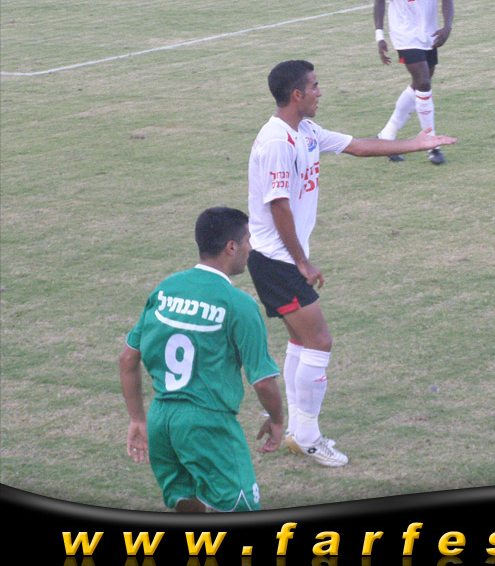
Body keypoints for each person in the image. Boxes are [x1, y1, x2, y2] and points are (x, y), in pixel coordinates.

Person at [247, 59, 456, 467]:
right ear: (296, 94)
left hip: (280, 258)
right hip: (277, 260)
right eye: (314, 86)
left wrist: (414, 144)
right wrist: (302, 262)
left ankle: (298, 431)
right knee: (320, 341)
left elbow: (359, 146)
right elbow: (278, 206)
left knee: (302, 341)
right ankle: (308, 436)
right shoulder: (276, 142)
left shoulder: (305, 131)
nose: (320, 92)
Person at [119, 207, 284, 512]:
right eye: (247, 240)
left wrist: (137, 419)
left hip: (161, 421)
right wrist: (276, 419)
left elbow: (128, 358)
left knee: (187, 504)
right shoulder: (239, 305)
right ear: (231, 247)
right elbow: (263, 383)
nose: (250, 248)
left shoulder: (166, 289)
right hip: (208, 425)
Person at [373, 0, 455, 164]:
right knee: (424, 83)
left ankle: (386, 136)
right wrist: (379, 36)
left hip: (430, 34)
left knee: (420, 85)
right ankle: (433, 146)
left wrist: (447, 27)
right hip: (404, 34)